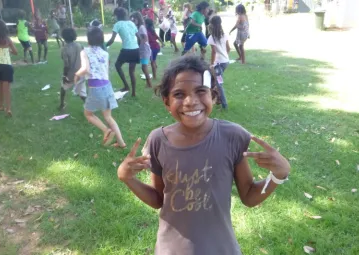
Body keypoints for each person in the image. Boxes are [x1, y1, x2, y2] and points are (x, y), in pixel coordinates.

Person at [117, 55, 291, 254]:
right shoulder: (158, 140)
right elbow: (158, 199)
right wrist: (127, 178)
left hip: (220, 249)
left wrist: (278, 175)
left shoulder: (232, 137)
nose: (191, 101)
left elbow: (249, 196)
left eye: (201, 91)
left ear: (214, 96)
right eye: (179, 94)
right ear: (166, 102)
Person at [75, 27, 126, 148]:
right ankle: (121, 143)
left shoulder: (84, 52)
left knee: (88, 114)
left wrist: (76, 75)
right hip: (107, 87)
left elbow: (85, 69)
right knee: (108, 117)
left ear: (88, 39)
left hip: (96, 88)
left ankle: (106, 130)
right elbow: (105, 72)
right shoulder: (105, 53)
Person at [106, 8, 140, 96]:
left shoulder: (117, 24)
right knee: (131, 71)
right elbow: (139, 38)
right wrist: (137, 48)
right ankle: (134, 93)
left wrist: (104, 46)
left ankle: (126, 86)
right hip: (135, 49)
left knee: (117, 65)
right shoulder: (132, 23)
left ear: (117, 16)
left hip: (126, 49)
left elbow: (112, 40)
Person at [59, 27, 86, 111]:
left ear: (64, 37)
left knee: (63, 88)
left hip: (71, 75)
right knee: (82, 92)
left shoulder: (65, 49)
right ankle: (89, 107)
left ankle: (62, 104)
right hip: (81, 73)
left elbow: (66, 65)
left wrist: (64, 75)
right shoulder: (79, 45)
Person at [208, 15, 230, 109]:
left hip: (218, 64)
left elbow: (213, 52)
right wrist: (224, 56)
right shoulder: (224, 35)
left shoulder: (212, 38)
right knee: (217, 81)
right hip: (225, 62)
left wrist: (212, 64)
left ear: (211, 25)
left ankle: (224, 105)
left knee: (219, 84)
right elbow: (228, 48)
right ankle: (218, 100)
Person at [130, 12, 152, 88]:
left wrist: (138, 45)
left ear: (137, 18)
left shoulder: (141, 27)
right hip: (142, 50)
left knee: (144, 67)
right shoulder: (138, 27)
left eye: (134, 19)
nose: (133, 21)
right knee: (143, 67)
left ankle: (149, 83)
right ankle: (148, 83)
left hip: (145, 49)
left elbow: (145, 39)